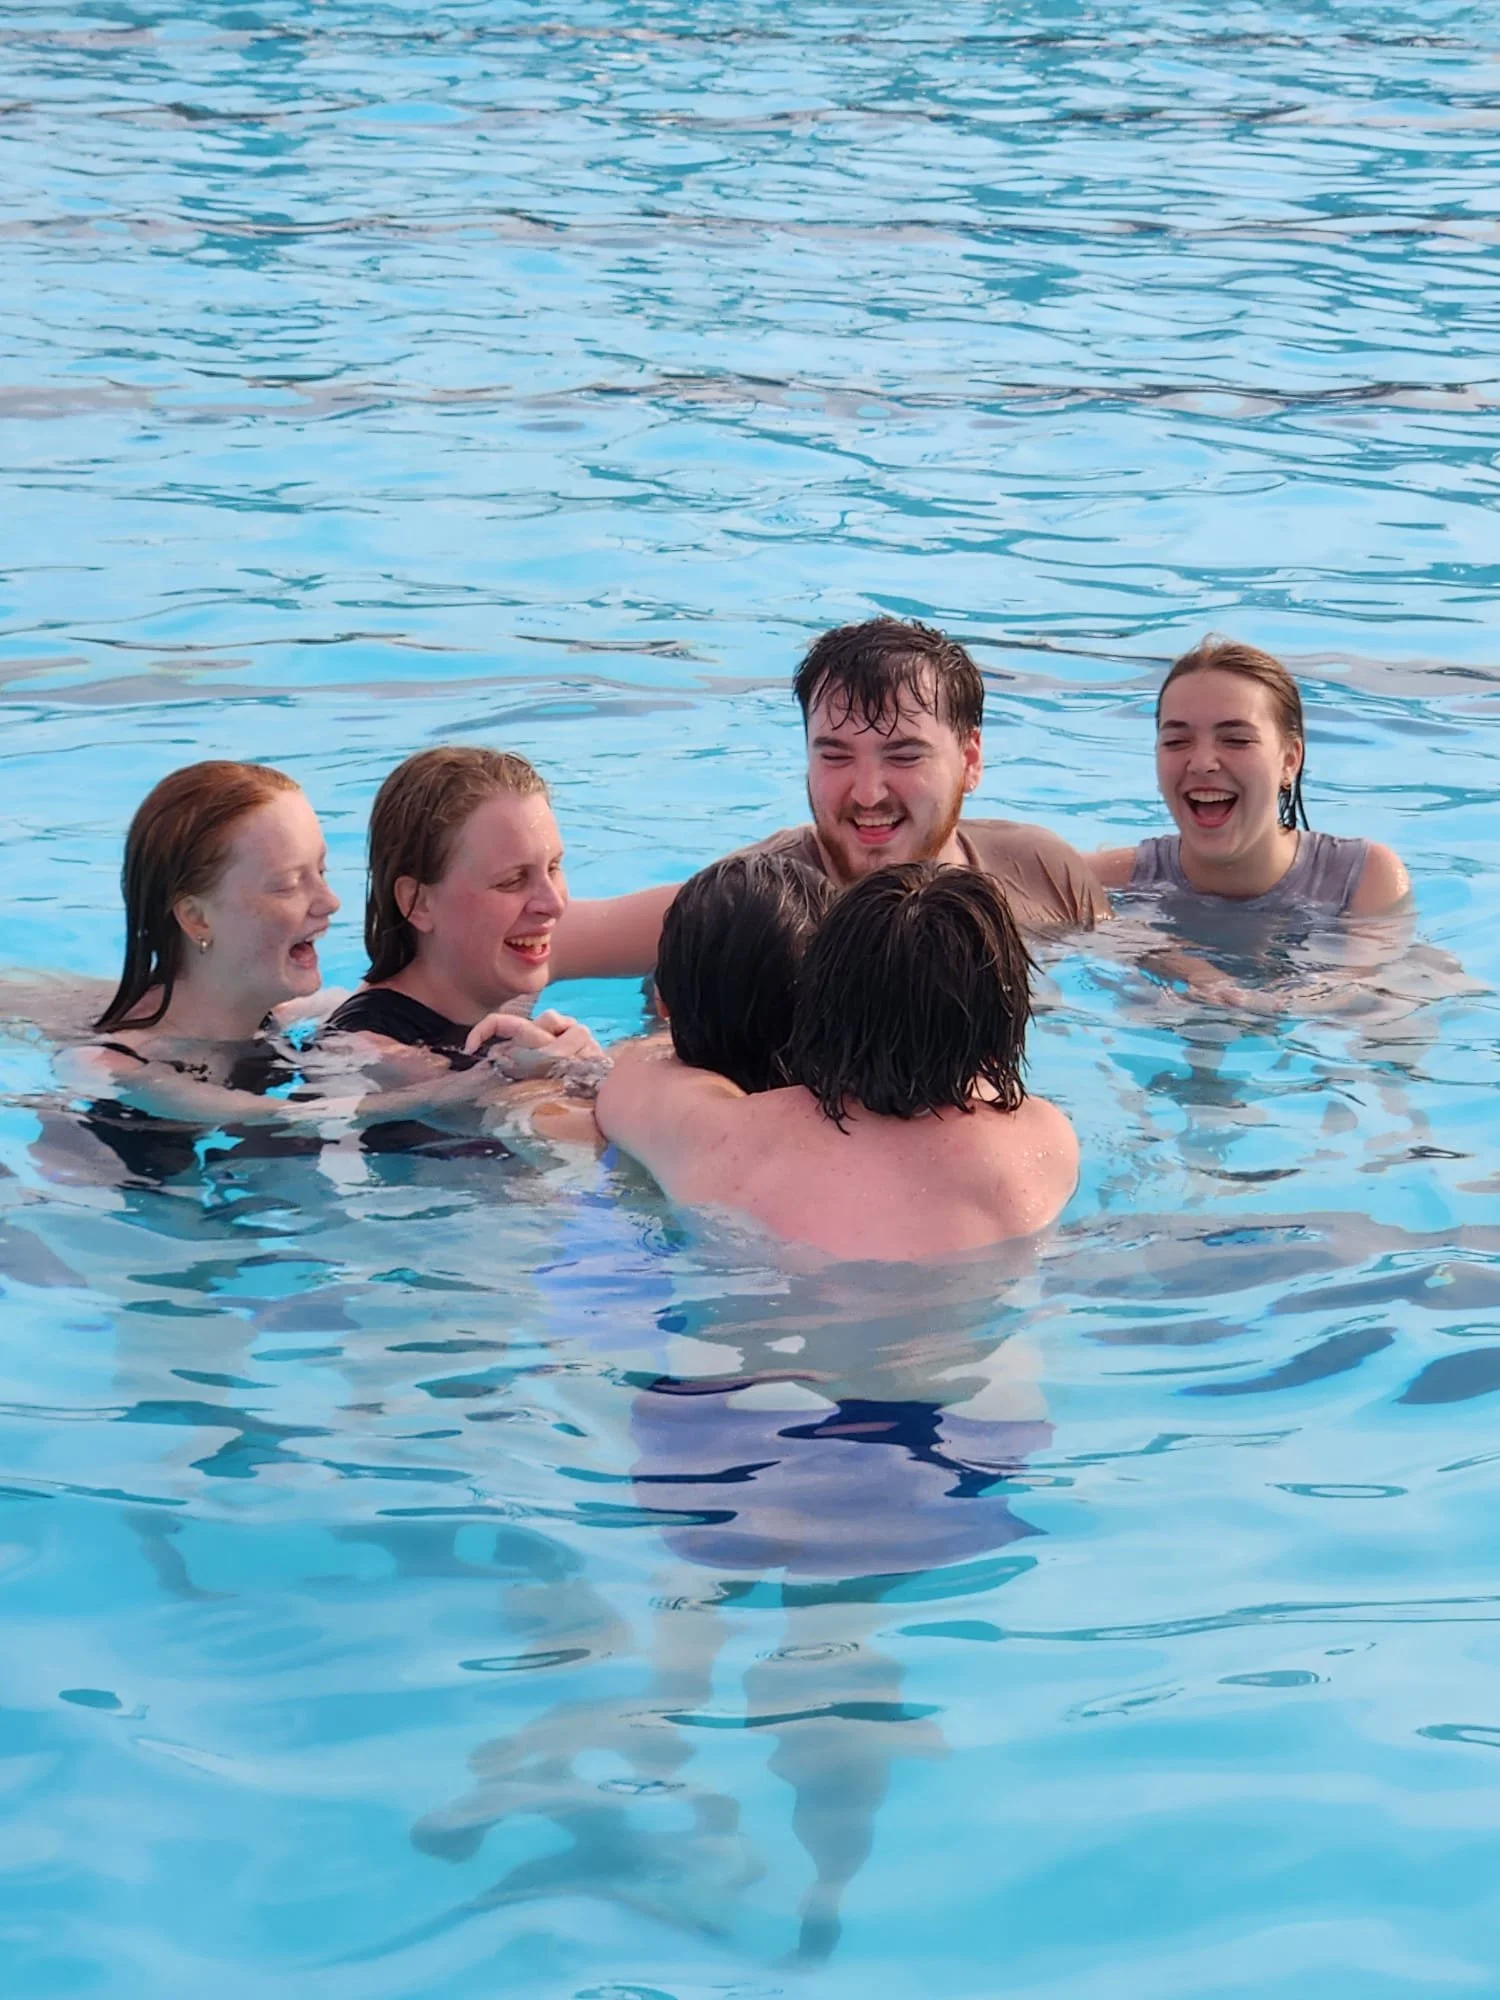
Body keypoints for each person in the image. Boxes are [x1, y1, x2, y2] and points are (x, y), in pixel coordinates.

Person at [548, 617, 1110, 980]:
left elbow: (1135, 969)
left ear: (970, 759)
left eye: (904, 756)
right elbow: (521, 947)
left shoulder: (1042, 872)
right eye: (835, 756)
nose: (867, 794)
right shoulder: (746, 907)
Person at [596, 862, 1079, 1260]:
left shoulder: (729, 1138)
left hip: (749, 1369)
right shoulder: (1045, 1142)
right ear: (1004, 1025)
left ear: (820, 1005)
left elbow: (634, 1076)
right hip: (990, 1373)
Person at [322, 746, 601, 1077]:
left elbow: (673, 918)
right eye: (512, 881)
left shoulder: (506, 968)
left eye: (554, 867)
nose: (553, 903)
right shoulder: (367, 1053)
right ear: (420, 903)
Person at [1090, 635, 1410, 917]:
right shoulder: (1108, 883)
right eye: (1176, 742)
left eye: (1237, 740)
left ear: (1289, 760)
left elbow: (1361, 983)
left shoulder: (1359, 880)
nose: (1202, 763)